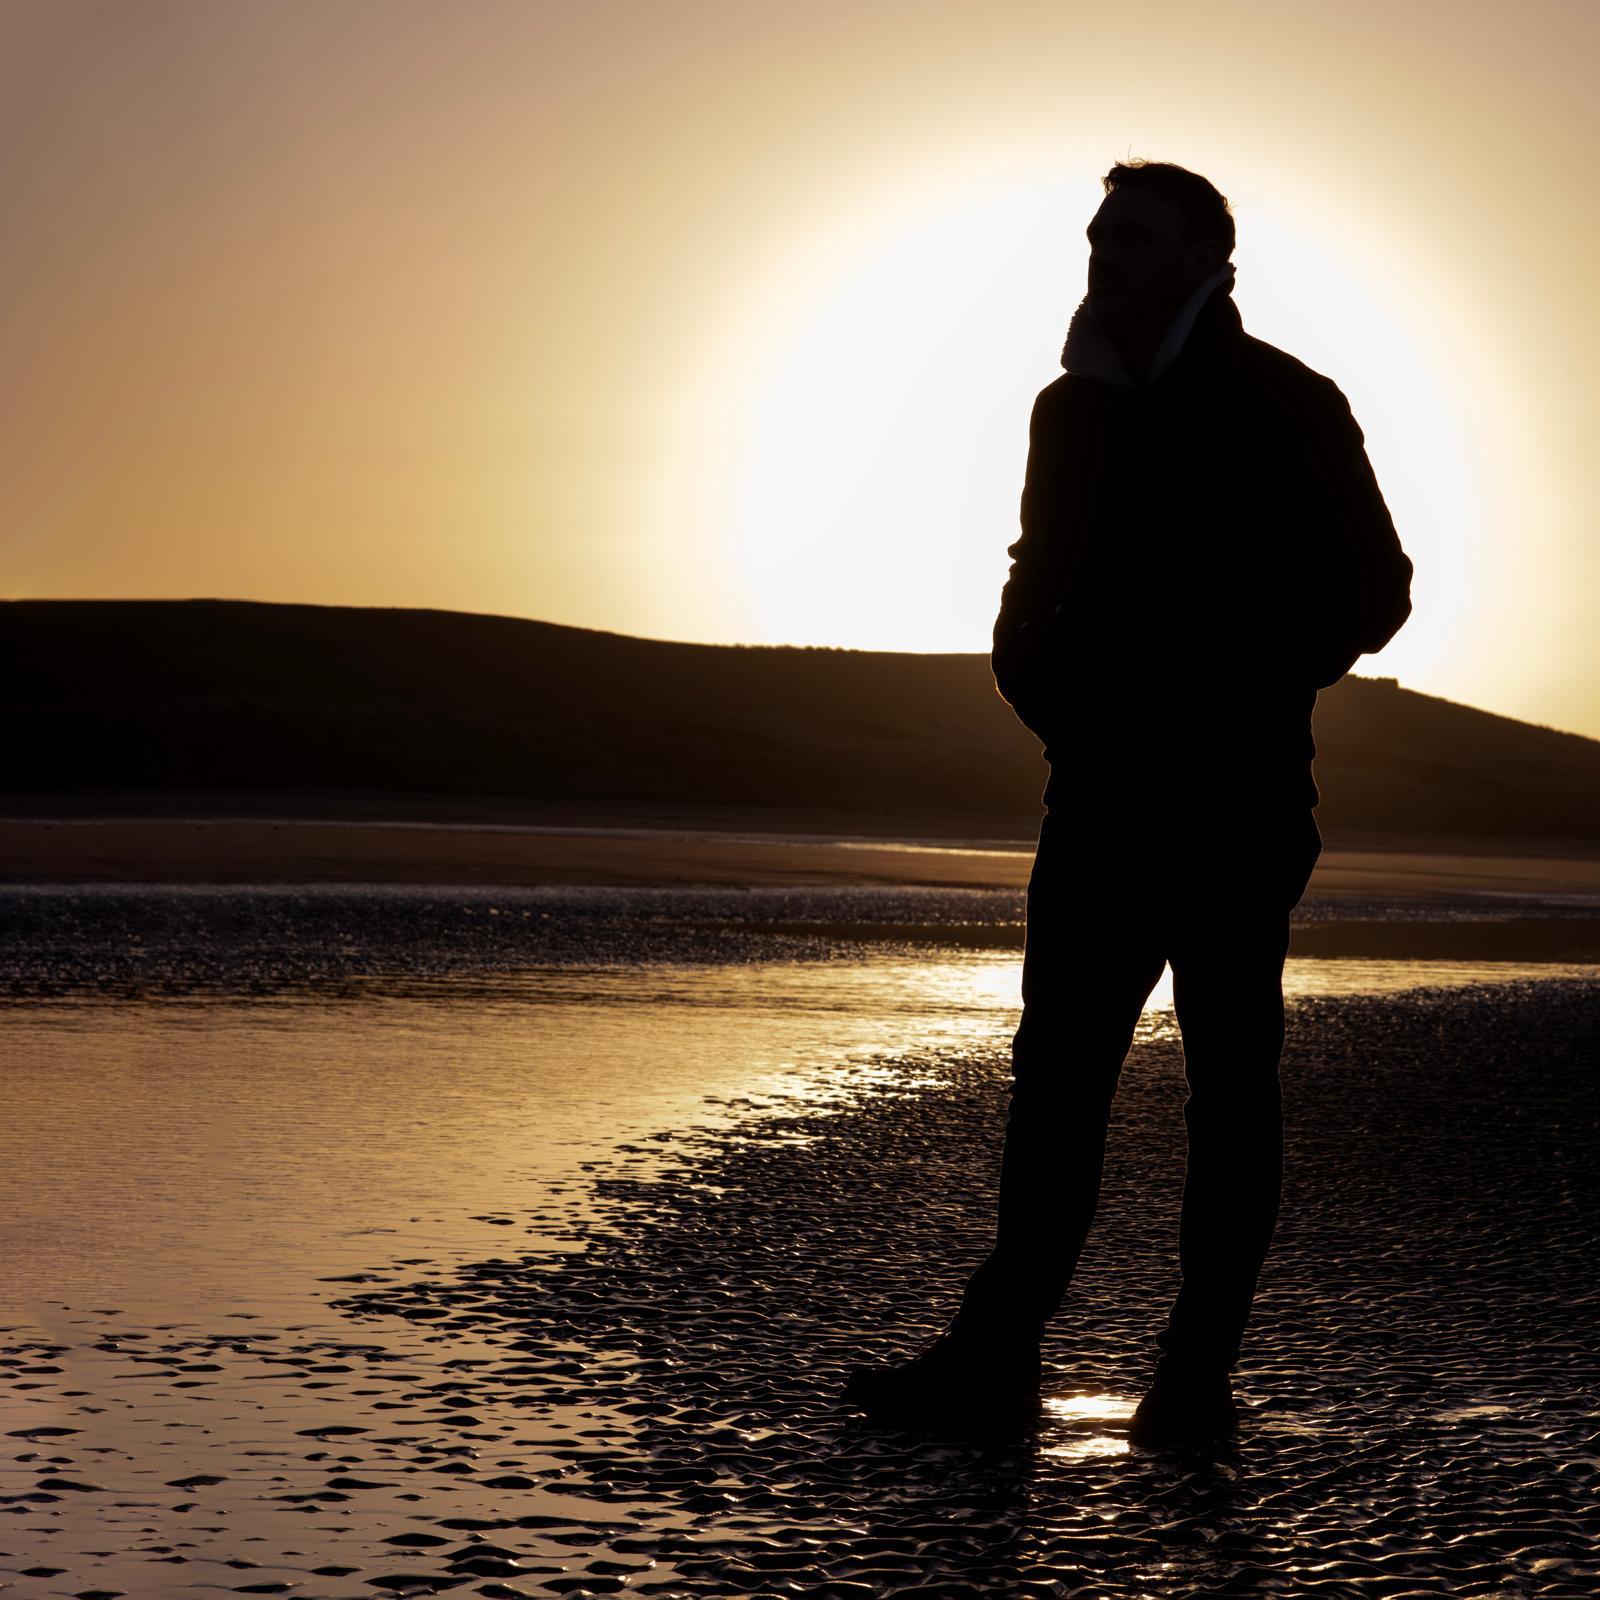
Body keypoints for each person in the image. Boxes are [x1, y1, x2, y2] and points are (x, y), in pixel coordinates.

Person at [843, 160, 1413, 1446]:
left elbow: (1374, 587)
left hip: (1236, 800)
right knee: (1054, 1077)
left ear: (1204, 255)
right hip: (1095, 796)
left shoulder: (1284, 397)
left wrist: (1226, 671)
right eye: (1095, 234)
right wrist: (1036, 673)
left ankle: (1194, 1376)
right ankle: (996, 1353)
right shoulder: (1071, 411)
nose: (1103, 252)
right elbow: (1034, 567)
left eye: (1132, 235)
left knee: (1229, 1083)